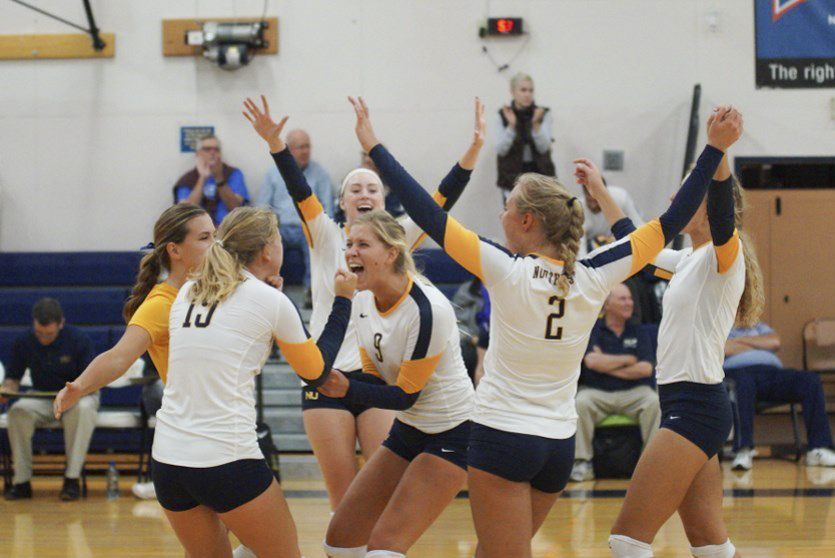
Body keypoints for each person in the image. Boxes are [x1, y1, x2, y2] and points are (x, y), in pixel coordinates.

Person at [350, 95, 739, 558]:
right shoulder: (596, 273)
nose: (501, 215)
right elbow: (669, 221)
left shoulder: (506, 270)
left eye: (508, 207)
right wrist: (712, 151)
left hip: (501, 439)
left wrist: (374, 146)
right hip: (558, 445)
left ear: (527, 220)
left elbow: (426, 212)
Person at [242, 94, 483, 514]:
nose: (364, 192)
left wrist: (471, 154)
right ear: (342, 202)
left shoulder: (397, 239)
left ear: (384, 202)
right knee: (344, 501)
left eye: (372, 187)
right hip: (326, 375)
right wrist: (276, 145)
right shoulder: (325, 234)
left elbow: (440, 200)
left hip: (378, 381)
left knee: (381, 498)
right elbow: (299, 189)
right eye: (355, 188)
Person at [606, 106, 756, 558]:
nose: (675, 202)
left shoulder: (724, 258)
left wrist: (721, 150)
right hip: (685, 403)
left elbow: (725, 218)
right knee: (710, 544)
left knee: (627, 541)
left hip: (695, 407)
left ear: (708, 206)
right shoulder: (687, 260)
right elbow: (633, 242)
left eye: (685, 196)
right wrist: (598, 188)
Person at [319, 210, 474, 557]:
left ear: (391, 253)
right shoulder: (361, 298)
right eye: (349, 244)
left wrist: (346, 389)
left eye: (363, 244)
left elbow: (405, 395)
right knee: (339, 544)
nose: (351, 252)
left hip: (453, 433)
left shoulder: (427, 308)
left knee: (385, 550)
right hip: (408, 429)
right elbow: (374, 375)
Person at [2, 298, 95, 501]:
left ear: (61, 323)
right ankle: (22, 481)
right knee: (17, 412)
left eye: (49, 334)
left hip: (77, 397)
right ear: (33, 324)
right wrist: (5, 392)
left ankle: (72, 480)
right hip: (41, 396)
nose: (44, 338)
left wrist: (73, 393)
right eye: (39, 333)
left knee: (84, 409)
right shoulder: (24, 341)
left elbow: (91, 380)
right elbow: (12, 379)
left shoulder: (78, 340)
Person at [571, 284, 659, 482]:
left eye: (630, 298)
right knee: (580, 402)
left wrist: (607, 364)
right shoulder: (593, 329)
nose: (629, 303)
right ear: (606, 304)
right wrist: (628, 360)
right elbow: (591, 362)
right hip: (598, 394)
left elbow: (645, 369)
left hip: (634, 393)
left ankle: (651, 465)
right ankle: (582, 463)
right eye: (622, 299)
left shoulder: (639, 331)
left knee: (654, 402)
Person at [725, 322, 835, 470]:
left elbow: (775, 342)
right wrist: (759, 343)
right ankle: (743, 450)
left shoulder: (758, 326)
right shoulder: (722, 326)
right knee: (742, 384)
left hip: (772, 373)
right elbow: (724, 348)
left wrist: (739, 342)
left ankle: (819, 448)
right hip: (739, 373)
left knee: (810, 380)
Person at [258, 128, 335, 292]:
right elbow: (262, 207)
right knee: (265, 246)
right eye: (301, 147)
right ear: (289, 149)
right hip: (280, 227)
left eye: (308, 146)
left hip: (307, 227)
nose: (305, 151)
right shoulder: (272, 174)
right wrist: (270, 226)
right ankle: (270, 289)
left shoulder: (320, 174)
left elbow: (328, 206)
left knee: (316, 243)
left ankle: (312, 290)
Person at [493, 72, 556, 202]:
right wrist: (511, 126)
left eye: (531, 90)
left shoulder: (543, 113)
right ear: (512, 92)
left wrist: (535, 124)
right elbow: (500, 150)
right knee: (514, 220)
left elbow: (544, 148)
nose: (528, 94)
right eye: (523, 90)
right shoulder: (503, 114)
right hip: (511, 178)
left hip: (541, 176)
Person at [174, 134, 250, 225]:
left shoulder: (233, 174)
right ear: (198, 154)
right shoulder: (188, 178)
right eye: (207, 149)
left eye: (216, 149)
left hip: (228, 230)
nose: (212, 152)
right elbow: (184, 213)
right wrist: (202, 178)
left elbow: (236, 208)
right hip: (197, 231)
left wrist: (219, 178)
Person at [579, 177, 644, 256]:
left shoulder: (621, 198)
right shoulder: (580, 210)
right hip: (591, 247)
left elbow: (638, 225)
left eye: (596, 199)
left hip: (618, 241)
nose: (593, 204)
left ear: (604, 193)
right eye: (589, 199)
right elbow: (580, 246)